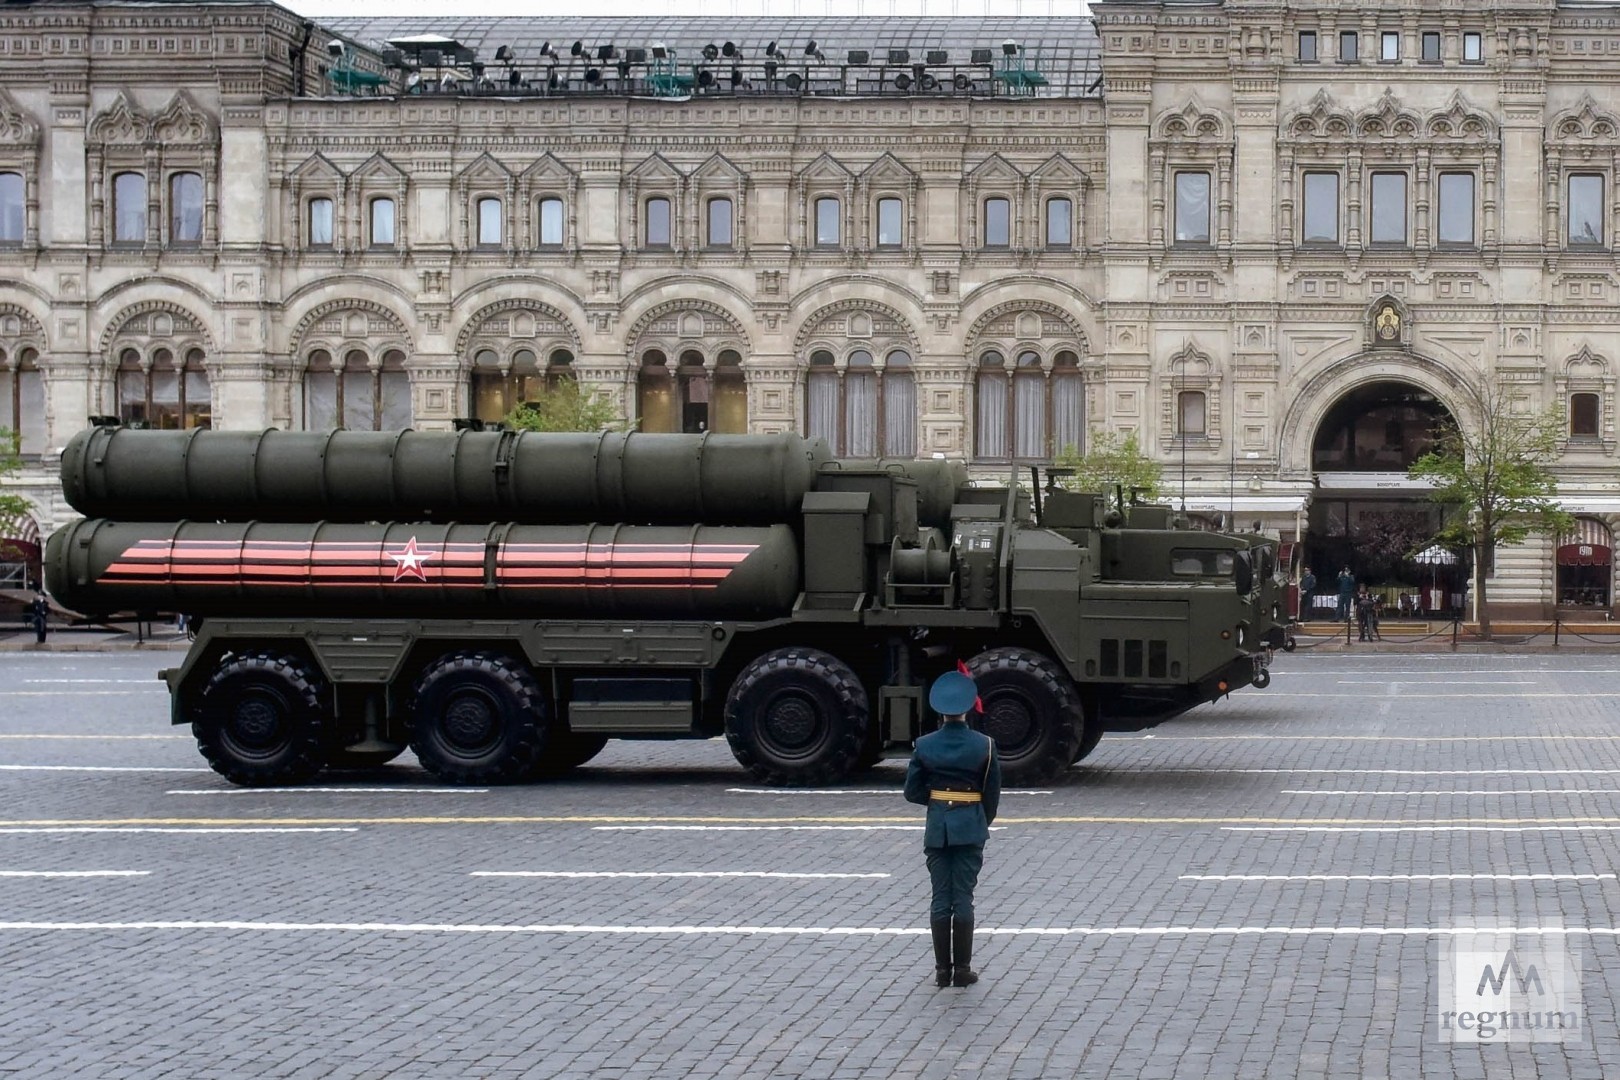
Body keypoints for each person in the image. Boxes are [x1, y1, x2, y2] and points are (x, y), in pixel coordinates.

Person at [904, 670, 1001, 989]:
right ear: (968, 707)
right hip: (970, 827)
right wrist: (976, 820)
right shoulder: (984, 745)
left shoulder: (924, 745)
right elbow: (991, 795)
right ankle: (962, 969)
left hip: (937, 829)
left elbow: (912, 791)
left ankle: (941, 971)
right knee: (963, 898)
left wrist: (937, 806)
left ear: (940, 710)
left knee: (939, 898)